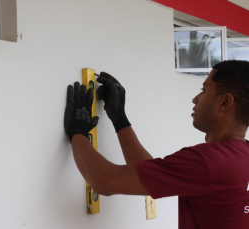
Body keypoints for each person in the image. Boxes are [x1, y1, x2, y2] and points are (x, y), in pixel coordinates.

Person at [64, 60, 249, 228]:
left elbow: (104, 181)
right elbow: (150, 174)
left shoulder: (210, 162)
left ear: (225, 102)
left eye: (204, 90)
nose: (195, 99)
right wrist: (120, 119)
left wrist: (78, 131)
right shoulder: (239, 157)